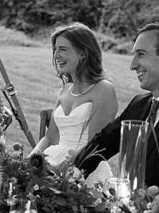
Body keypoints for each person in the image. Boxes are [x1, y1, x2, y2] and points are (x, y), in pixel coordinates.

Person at [72, 22, 159, 190]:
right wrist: (72, 172)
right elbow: (103, 143)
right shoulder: (139, 104)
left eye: (140, 54)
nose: (132, 65)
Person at [31, 23, 118, 181]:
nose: (56, 55)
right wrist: (30, 160)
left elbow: (94, 145)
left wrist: (61, 170)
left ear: (83, 53)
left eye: (63, 49)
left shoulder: (104, 89)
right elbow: (50, 137)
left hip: (85, 168)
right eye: (55, 49)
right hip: (53, 160)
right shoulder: (65, 90)